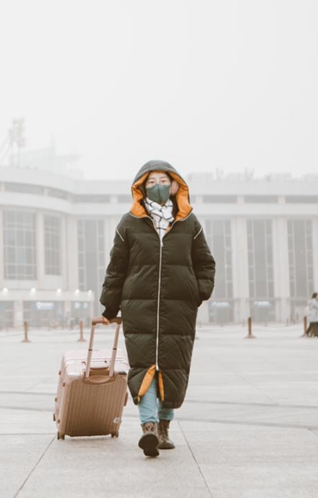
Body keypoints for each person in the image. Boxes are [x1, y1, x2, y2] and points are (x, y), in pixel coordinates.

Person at [98, 160, 215, 458]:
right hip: (139, 307)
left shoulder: (189, 222)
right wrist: (110, 305)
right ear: (140, 188)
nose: (158, 187)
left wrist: (198, 292)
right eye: (150, 183)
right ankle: (148, 427)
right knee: (144, 367)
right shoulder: (129, 223)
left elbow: (205, 263)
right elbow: (117, 267)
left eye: (163, 181)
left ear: (175, 185)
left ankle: (164, 427)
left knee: (173, 368)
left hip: (179, 309)